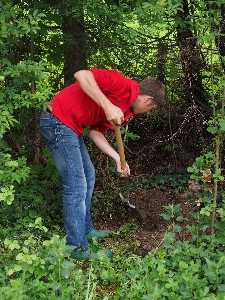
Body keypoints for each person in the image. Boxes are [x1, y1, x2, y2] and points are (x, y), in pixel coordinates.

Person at [39, 68, 166, 260]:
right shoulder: (120, 84)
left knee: (89, 176)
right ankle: (76, 247)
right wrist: (107, 105)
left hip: (72, 127)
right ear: (148, 99)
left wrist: (118, 158)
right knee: (76, 184)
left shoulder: (127, 111)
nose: (149, 113)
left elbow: (95, 133)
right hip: (56, 120)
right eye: (152, 109)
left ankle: (86, 229)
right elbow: (81, 75)